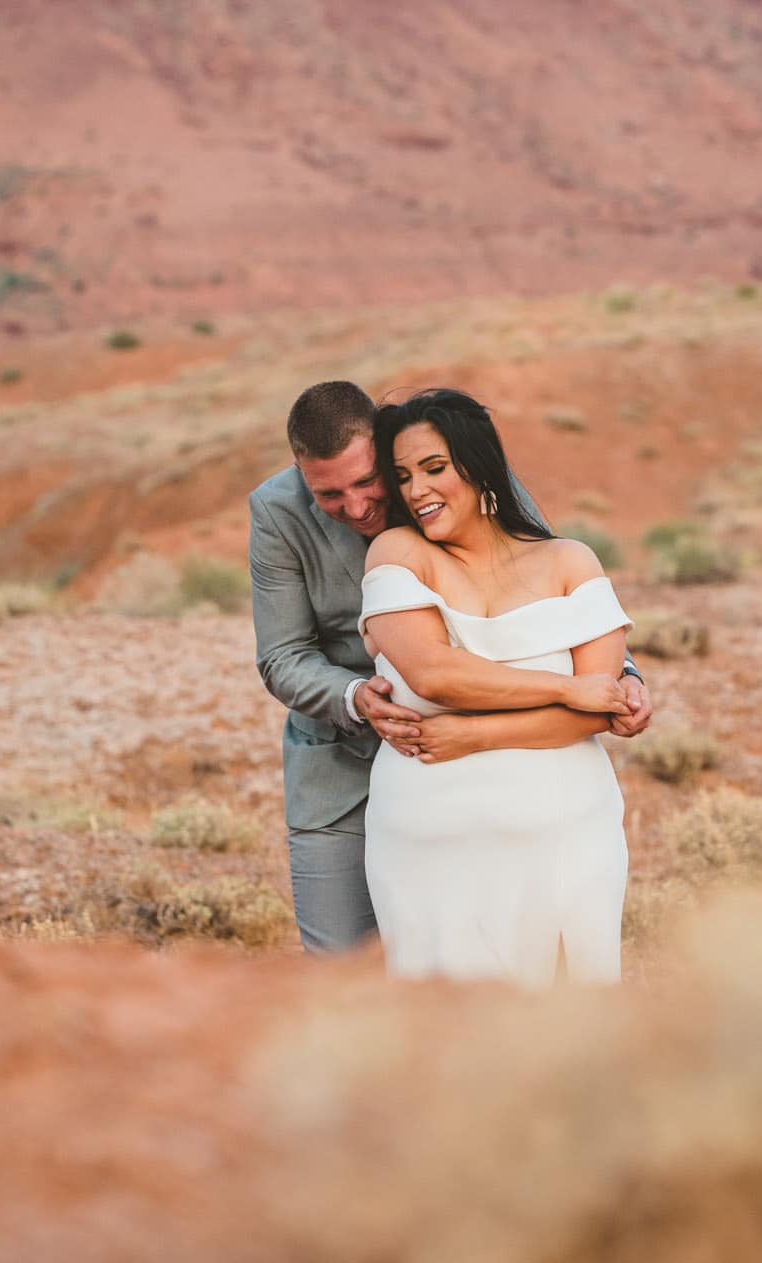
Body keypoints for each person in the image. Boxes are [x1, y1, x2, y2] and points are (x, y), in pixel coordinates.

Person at [249, 378, 651, 955]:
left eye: (369, 482)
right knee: (345, 971)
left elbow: (549, 587)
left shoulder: (452, 475)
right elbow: (283, 655)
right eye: (329, 496)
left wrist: (622, 677)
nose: (357, 507)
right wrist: (357, 696)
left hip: (500, 752)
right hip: (339, 764)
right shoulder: (276, 512)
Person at [361, 387, 634, 983]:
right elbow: (433, 674)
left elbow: (598, 711)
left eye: (434, 469)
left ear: (480, 465)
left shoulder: (570, 562)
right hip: (428, 846)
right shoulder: (399, 553)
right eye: (404, 476)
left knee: (571, 1029)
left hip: (566, 835)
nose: (417, 491)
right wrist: (563, 688)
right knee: (445, 1034)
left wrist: (471, 738)